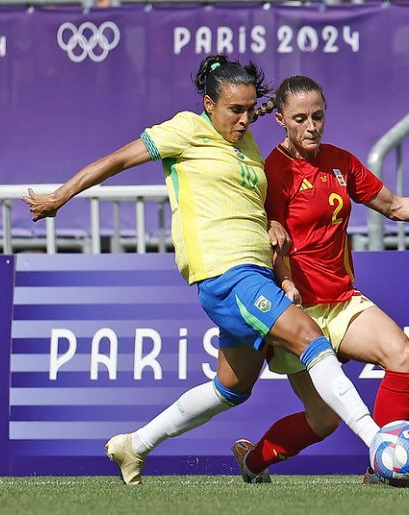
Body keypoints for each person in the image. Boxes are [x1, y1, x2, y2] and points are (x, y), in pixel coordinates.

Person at [21, 55, 381, 485]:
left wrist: (271, 224)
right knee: (310, 337)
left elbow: (246, 199)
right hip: (226, 274)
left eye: (251, 109)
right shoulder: (186, 130)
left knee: (231, 388)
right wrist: (60, 196)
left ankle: (134, 445)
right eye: (236, 110)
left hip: (257, 275)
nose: (246, 119)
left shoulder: (245, 144)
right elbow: (117, 160)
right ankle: (380, 445)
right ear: (209, 104)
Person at [229, 75, 409, 484]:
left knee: (402, 356)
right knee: (323, 421)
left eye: (318, 116)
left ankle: (380, 470)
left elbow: (395, 206)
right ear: (280, 120)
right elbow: (272, 238)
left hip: (342, 302)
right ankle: (253, 461)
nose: (312, 126)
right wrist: (285, 280)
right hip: (295, 313)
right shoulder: (272, 172)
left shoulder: (341, 162)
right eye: (301, 118)